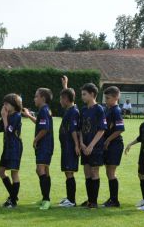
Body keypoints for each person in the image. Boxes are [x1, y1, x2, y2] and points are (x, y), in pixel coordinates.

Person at [22, 87, 54, 210]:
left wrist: (35, 139)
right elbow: (41, 124)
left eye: (36, 96)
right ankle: (45, 198)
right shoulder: (44, 110)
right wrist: (29, 115)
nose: (34, 98)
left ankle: (46, 200)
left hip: (44, 145)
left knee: (40, 169)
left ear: (43, 98)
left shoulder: (44, 110)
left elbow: (45, 129)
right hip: (46, 144)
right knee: (44, 170)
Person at [78, 83, 107, 209]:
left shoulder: (99, 109)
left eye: (84, 94)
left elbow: (102, 129)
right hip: (84, 147)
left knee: (94, 172)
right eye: (82, 94)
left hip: (95, 147)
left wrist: (91, 145)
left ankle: (94, 202)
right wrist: (81, 143)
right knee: (87, 173)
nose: (82, 97)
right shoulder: (83, 110)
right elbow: (80, 129)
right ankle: (89, 200)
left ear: (92, 94)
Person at [0, 93, 24, 208]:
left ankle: (13, 201)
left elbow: (9, 131)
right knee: (0, 171)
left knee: (14, 172)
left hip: (15, 147)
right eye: (4, 104)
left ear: (14, 105)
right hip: (7, 147)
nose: (4, 106)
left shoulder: (17, 116)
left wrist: (4, 117)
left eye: (7, 104)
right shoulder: (7, 115)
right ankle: (13, 196)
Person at [56, 77, 80, 207]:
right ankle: (69, 198)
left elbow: (74, 130)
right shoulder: (70, 109)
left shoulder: (73, 112)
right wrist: (65, 86)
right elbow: (69, 95)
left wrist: (76, 145)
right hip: (66, 146)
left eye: (61, 99)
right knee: (67, 172)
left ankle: (72, 201)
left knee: (69, 172)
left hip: (71, 147)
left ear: (65, 99)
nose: (60, 101)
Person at [100, 85, 125, 207]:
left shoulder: (116, 110)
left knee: (111, 172)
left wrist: (108, 140)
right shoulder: (108, 109)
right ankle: (112, 198)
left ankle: (115, 200)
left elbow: (120, 129)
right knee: (108, 172)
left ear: (116, 97)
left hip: (115, 144)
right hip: (109, 144)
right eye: (105, 98)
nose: (106, 100)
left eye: (108, 98)